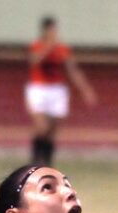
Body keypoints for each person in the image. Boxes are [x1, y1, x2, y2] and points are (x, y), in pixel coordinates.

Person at [26, 17, 97, 166]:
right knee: (41, 128)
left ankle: (47, 163)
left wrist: (85, 89)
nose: (54, 33)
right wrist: (48, 47)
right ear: (44, 31)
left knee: (53, 130)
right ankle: (34, 162)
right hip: (39, 88)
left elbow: (72, 70)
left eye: (55, 30)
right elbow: (34, 61)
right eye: (51, 30)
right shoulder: (37, 46)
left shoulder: (62, 49)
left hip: (57, 90)